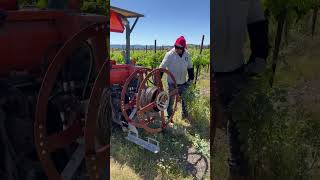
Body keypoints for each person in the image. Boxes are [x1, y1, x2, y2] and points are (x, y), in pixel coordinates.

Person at [212, 0, 269, 179]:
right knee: (210, 131)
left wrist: (258, 59)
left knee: (239, 138)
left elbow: (258, 25)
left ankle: (237, 174)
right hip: (213, 75)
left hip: (236, 73)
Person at [159, 36, 194, 119]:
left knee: (185, 100)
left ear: (183, 48)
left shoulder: (187, 54)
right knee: (171, 101)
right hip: (172, 83)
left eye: (179, 47)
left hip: (183, 83)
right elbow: (162, 67)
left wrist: (191, 78)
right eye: (175, 46)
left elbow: (190, 67)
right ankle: (169, 117)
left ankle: (185, 116)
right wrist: (158, 80)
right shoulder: (169, 54)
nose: (177, 49)